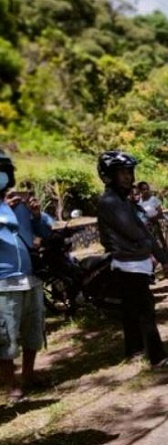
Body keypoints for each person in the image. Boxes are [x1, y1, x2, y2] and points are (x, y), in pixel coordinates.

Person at [95, 151, 168, 370]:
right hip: (128, 263)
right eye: (121, 173)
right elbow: (137, 232)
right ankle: (158, 358)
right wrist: (152, 250)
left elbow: (143, 232)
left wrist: (162, 257)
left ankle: (134, 349)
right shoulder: (110, 201)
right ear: (109, 175)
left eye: (129, 172)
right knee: (145, 310)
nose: (127, 177)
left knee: (132, 309)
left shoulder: (123, 201)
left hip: (134, 262)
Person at [0, 152, 49, 402]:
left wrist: (37, 215)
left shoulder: (19, 204)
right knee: (6, 336)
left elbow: (45, 232)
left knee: (33, 330)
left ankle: (29, 374)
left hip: (31, 278)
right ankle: (11, 387)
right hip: (4, 284)